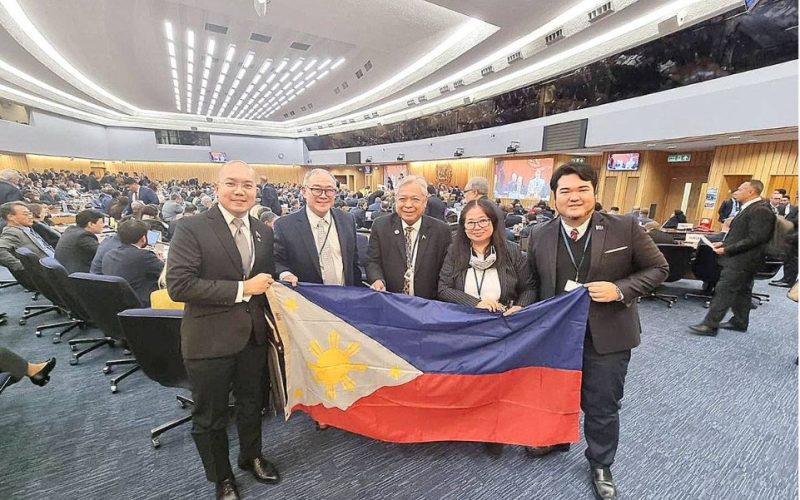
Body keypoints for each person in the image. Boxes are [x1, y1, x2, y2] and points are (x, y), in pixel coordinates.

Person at [525, 162, 668, 500]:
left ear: (594, 192)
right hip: (557, 334)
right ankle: (557, 438)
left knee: (603, 403)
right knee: (556, 392)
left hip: (608, 334)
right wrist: (524, 310)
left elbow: (658, 268)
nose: (574, 197)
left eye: (582, 189)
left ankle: (601, 462)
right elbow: (533, 282)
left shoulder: (625, 228)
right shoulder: (540, 234)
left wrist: (620, 289)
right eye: (565, 191)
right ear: (554, 198)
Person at [167, 160, 280, 500]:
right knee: (211, 416)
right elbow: (179, 286)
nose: (240, 191)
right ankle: (222, 478)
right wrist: (243, 288)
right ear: (217, 187)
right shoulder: (192, 228)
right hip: (208, 340)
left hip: (252, 337)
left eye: (247, 185)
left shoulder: (263, 230)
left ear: (256, 191)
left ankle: (251, 457)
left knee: (251, 404)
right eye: (232, 183)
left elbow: (266, 280)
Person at [690, 180, 776, 336]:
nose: (736, 191)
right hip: (743, 259)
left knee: (724, 290)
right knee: (743, 291)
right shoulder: (749, 208)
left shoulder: (760, 210)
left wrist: (727, 249)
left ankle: (710, 325)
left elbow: (756, 238)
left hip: (742, 260)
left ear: (751, 192)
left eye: (741, 189)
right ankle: (740, 321)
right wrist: (723, 243)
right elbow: (741, 234)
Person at [367, 175, 451, 299]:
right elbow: (372, 261)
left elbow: (446, 273)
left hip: (428, 306)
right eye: (402, 199)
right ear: (395, 200)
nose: (408, 205)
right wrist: (377, 279)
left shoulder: (441, 231)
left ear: (425, 201)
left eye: (415, 199)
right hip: (391, 302)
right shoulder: (380, 226)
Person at [274, 168, 362, 287]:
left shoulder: (347, 220)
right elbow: (277, 262)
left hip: (345, 298)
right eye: (316, 189)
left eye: (329, 190)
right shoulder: (285, 225)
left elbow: (353, 264)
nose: (323, 195)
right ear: (304, 191)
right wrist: (285, 275)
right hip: (308, 300)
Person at [101, 219, 164, 307]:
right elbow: (164, 273)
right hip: (142, 302)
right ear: (143, 238)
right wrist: (160, 259)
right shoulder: (144, 256)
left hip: (117, 302)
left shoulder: (109, 254)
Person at [0, 201, 54, 274]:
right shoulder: (12, 232)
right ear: (11, 217)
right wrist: (21, 266)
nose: (30, 216)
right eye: (26, 214)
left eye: (30, 213)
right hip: (48, 270)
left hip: (54, 261)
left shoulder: (27, 228)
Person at [54, 209, 104, 273]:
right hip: (79, 275)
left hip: (67, 270)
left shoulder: (71, 229)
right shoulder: (84, 236)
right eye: (101, 222)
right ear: (90, 224)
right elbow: (102, 253)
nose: (103, 225)